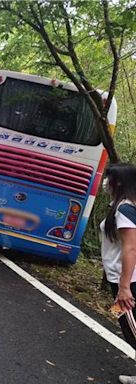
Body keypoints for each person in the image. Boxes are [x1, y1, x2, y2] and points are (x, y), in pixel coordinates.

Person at [99, 164, 136, 384]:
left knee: (133, 331)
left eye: (109, 178)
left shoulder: (124, 209)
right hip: (123, 279)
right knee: (128, 327)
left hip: (128, 281)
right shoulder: (123, 206)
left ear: (119, 182)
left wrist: (124, 288)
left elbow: (130, 248)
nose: (106, 182)